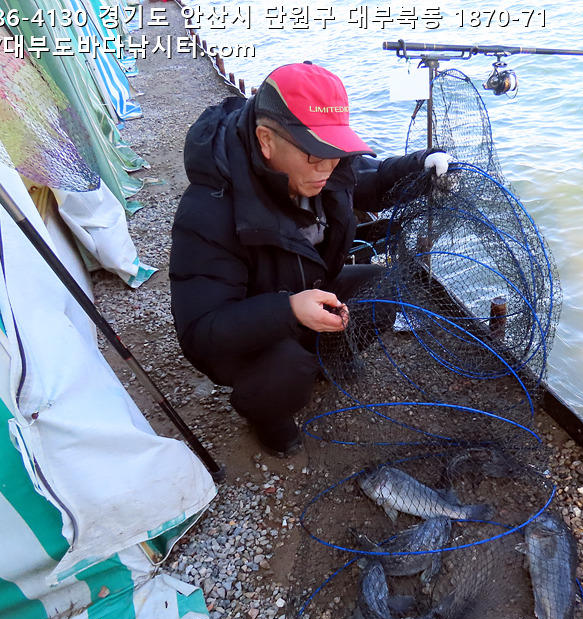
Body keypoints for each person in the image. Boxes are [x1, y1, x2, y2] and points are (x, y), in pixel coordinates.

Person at [170, 62, 451, 457]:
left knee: (383, 288)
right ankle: (269, 418)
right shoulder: (207, 211)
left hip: (307, 288)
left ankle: (326, 359)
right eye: (314, 153)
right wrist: (287, 311)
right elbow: (201, 334)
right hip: (248, 329)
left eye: (335, 151)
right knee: (287, 366)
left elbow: (370, 179)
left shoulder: (326, 166)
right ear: (266, 140)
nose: (327, 167)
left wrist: (421, 167)